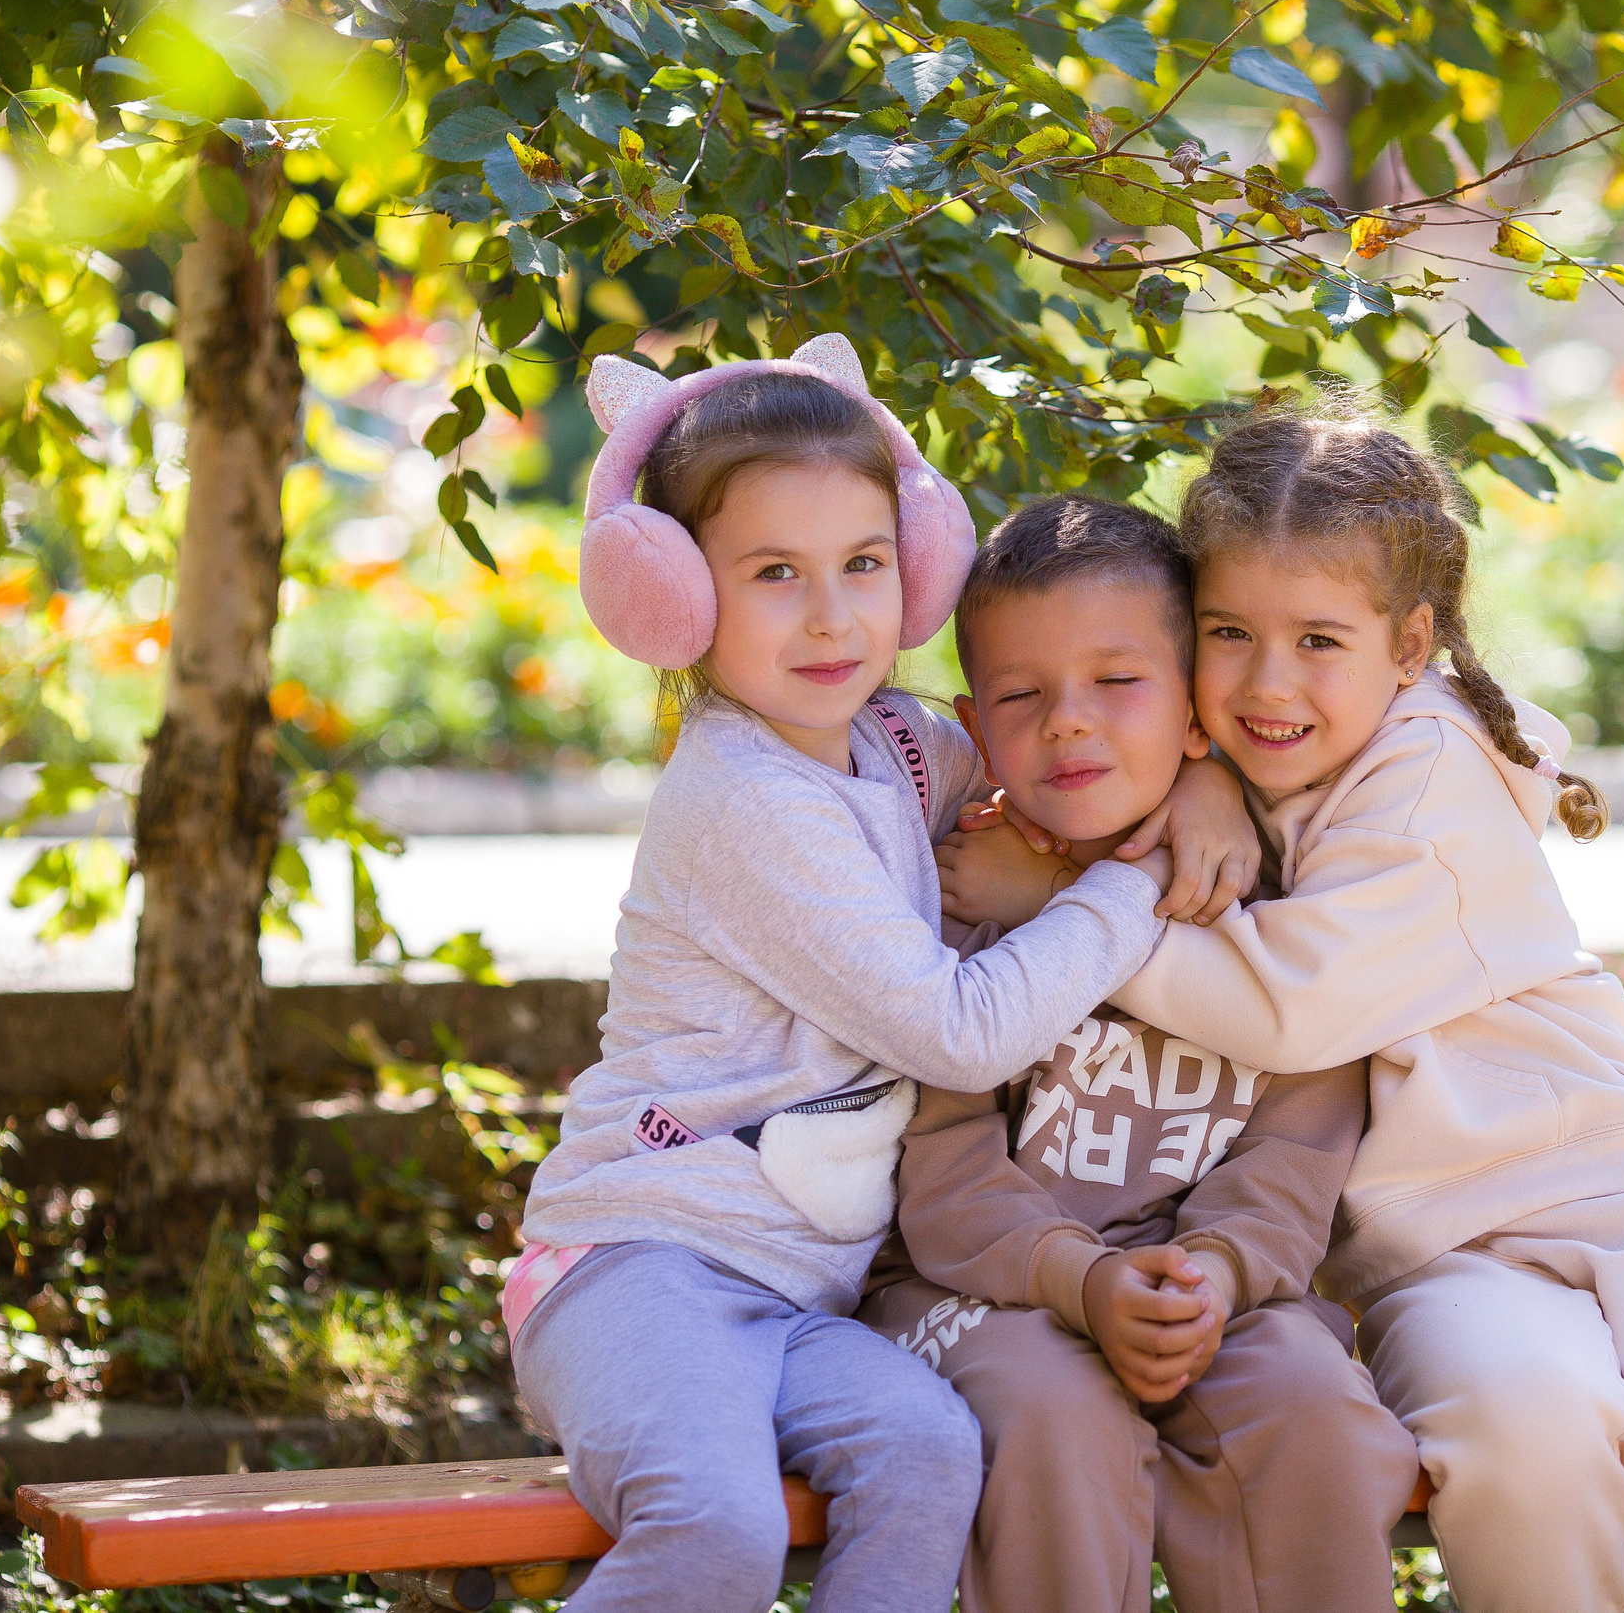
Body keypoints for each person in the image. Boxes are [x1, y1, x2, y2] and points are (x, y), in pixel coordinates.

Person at [943, 395, 1624, 1613]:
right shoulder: (1228, 774)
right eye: (1228, 634)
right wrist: (1205, 784)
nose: (1268, 682)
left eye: (1319, 640)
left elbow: (1293, 1010)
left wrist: (1067, 900)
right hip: (1435, 1261)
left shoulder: (1432, 772)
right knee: (1521, 1437)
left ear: (1410, 644)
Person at [506, 336, 1246, 1613]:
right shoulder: (743, 796)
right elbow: (961, 1037)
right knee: (718, 1524)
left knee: (924, 1453)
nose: (834, 615)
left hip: (801, 1299)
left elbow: (1051, 765)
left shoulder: (894, 741)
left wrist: (1205, 774)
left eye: (860, 565)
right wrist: (1133, 883)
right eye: (774, 575)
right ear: (677, 599)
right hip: (640, 1265)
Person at [860, 495, 1420, 1613]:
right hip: (982, 1293)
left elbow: (1296, 1153)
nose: (1069, 722)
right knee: (1049, 1418)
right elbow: (942, 1169)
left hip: (1219, 1289)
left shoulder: (1278, 902)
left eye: (1117, 683)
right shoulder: (960, 895)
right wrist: (1085, 1281)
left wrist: (1209, 1275)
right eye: (1021, 697)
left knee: (1311, 1410)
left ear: (1195, 710)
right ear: (977, 722)